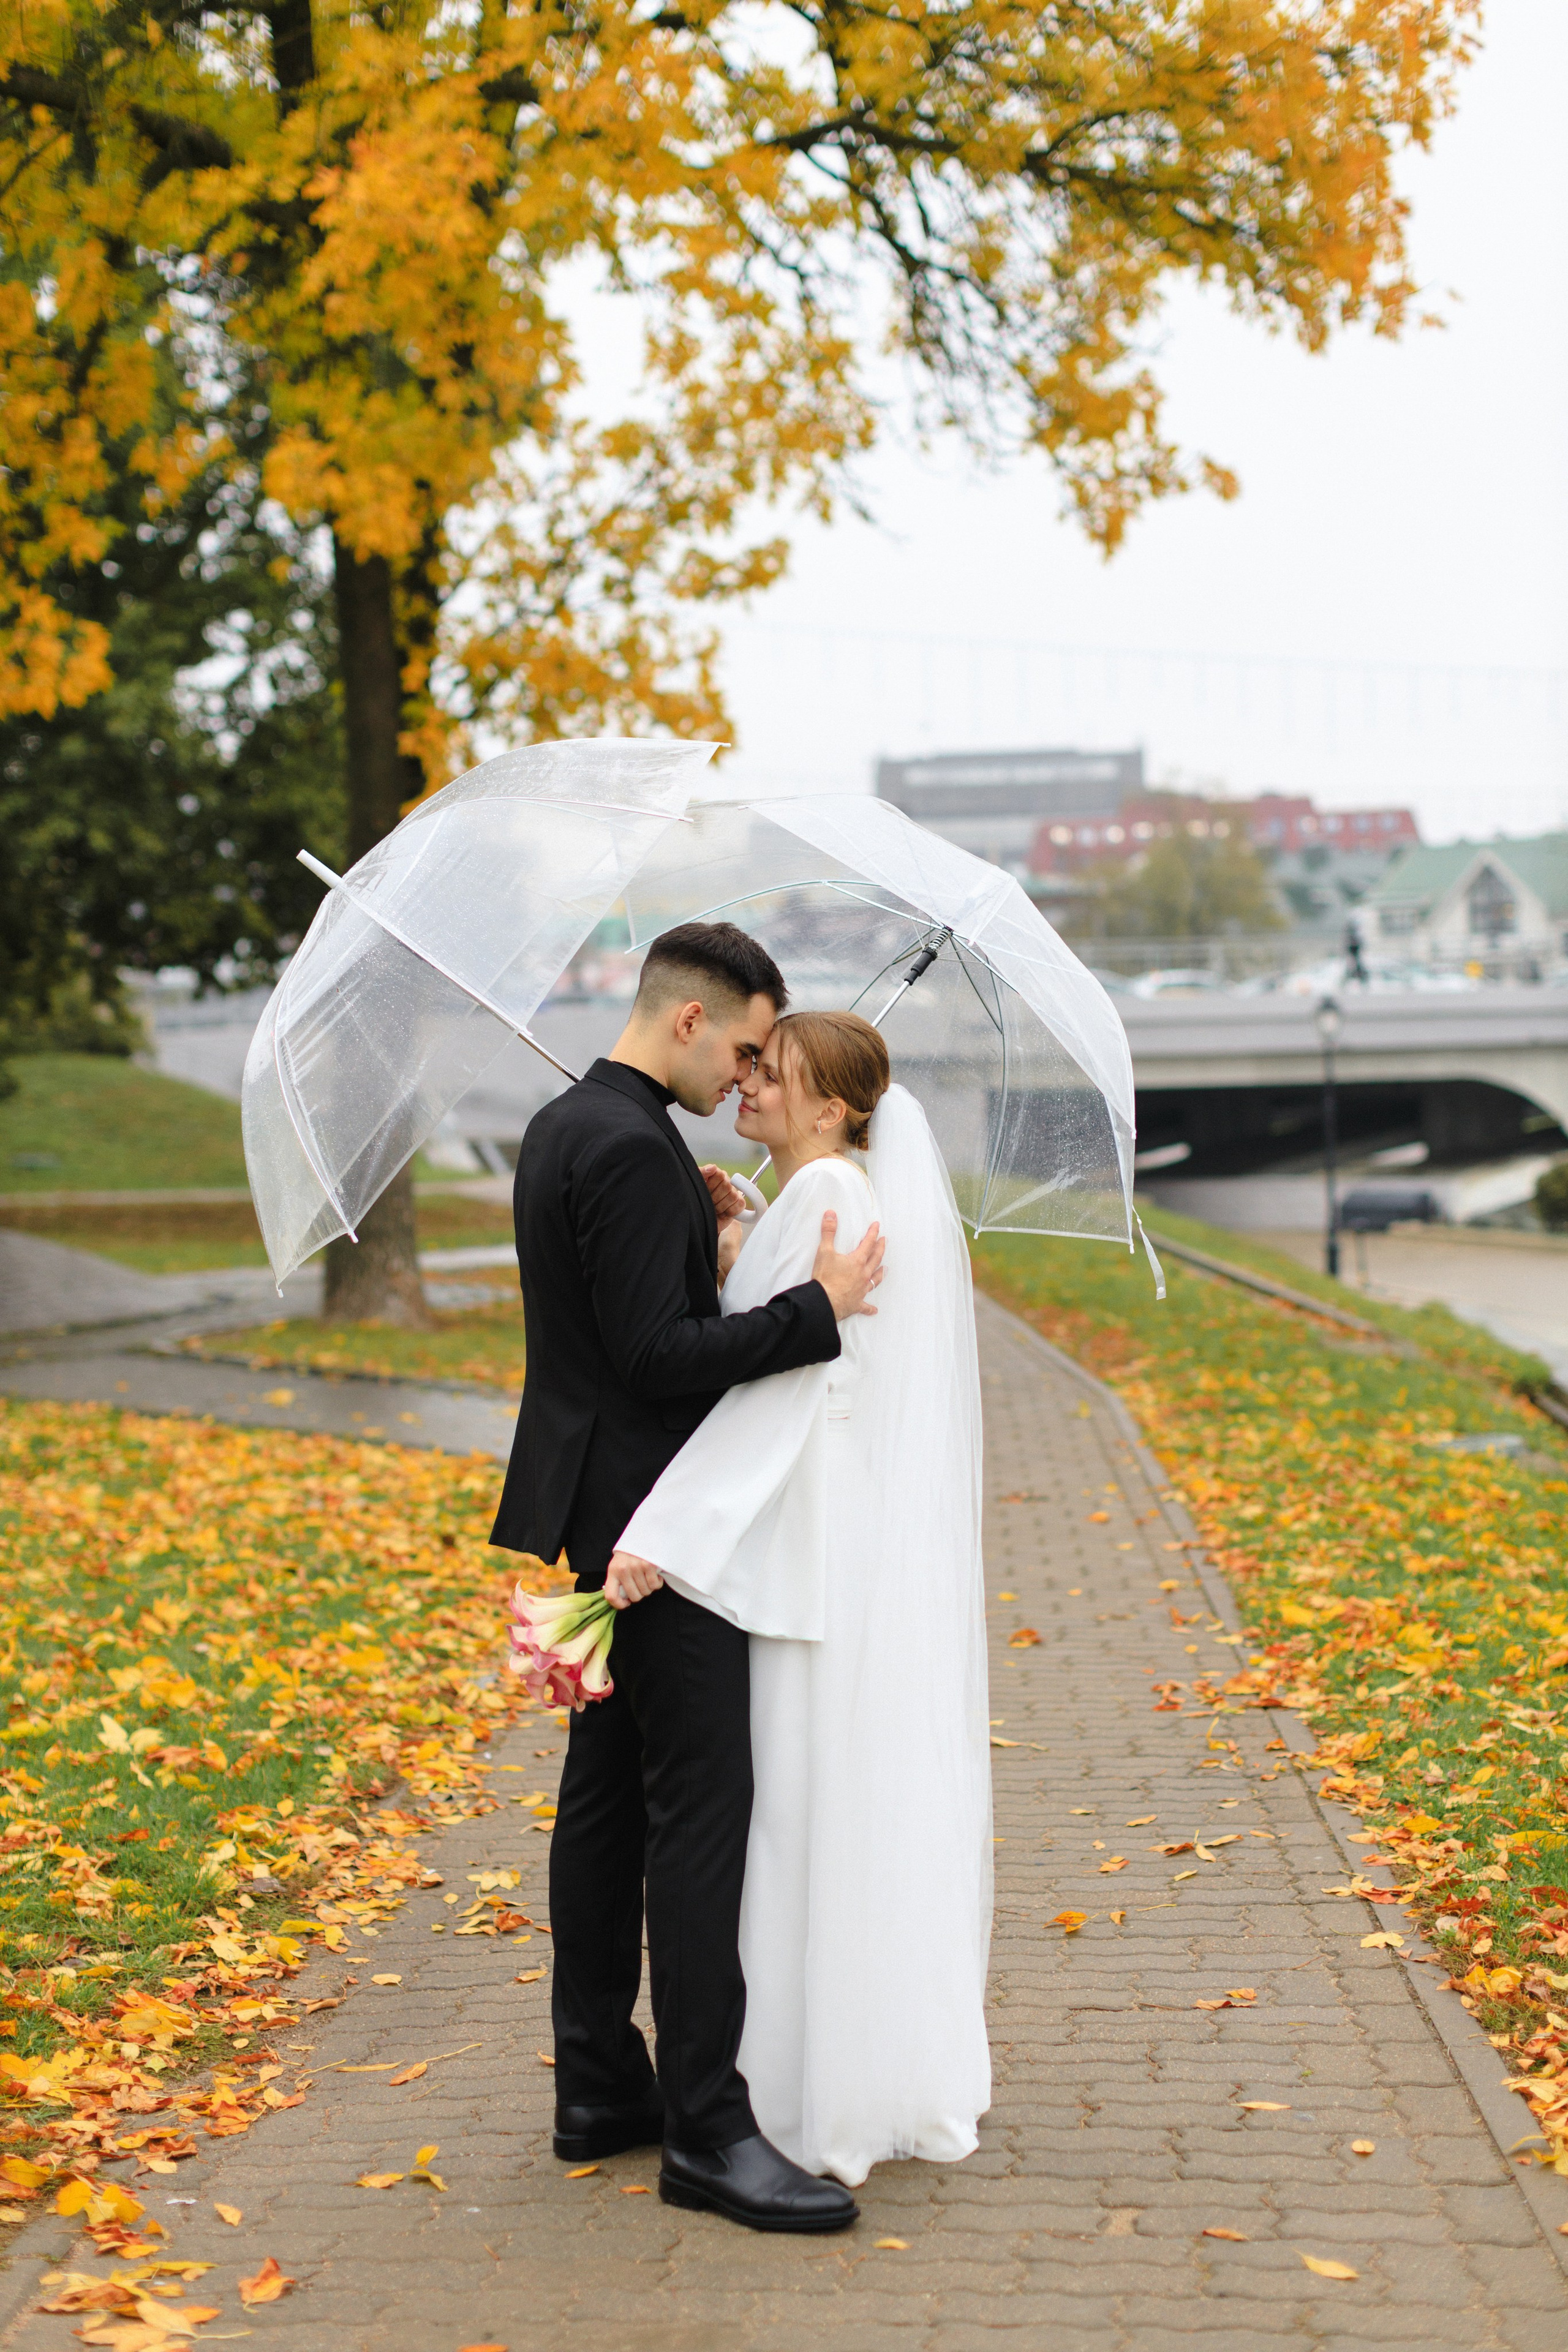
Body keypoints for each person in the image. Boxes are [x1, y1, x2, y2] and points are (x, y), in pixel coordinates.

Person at [489, 924, 884, 2235]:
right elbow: (658, 1356)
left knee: (606, 1806)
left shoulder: (578, 1129)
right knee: (699, 1813)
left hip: (603, 1499)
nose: (744, 1073)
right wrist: (810, 1308)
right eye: (743, 1046)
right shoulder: (619, 1143)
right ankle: (710, 2133)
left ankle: (602, 2087)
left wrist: (712, 1240)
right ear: (688, 1020)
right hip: (660, 1528)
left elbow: (623, 1328)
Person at [612, 1011, 992, 2195]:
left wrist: (660, 1539)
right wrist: (739, 1246)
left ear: (830, 1106)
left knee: (784, 1820)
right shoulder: (826, 1200)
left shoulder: (824, 1204)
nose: (744, 1087)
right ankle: (839, 2066)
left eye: (767, 1074)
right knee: (825, 1805)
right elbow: (774, 1353)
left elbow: (773, 1407)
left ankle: (780, 2089)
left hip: (779, 1561)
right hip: (834, 1544)